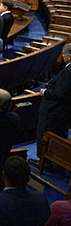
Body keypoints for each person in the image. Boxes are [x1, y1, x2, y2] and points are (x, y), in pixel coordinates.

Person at [33, 43, 71, 171]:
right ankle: (56, 159)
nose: (63, 57)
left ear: (69, 57)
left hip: (55, 109)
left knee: (45, 132)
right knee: (60, 133)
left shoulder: (68, 72)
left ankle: (44, 162)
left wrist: (45, 92)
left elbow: (59, 94)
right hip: (66, 110)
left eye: (64, 55)